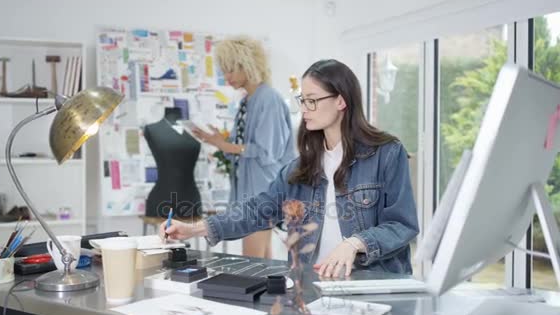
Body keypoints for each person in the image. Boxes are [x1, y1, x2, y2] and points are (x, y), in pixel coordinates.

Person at [170, 59, 418, 278]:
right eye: (303, 100)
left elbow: (402, 225)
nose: (304, 109)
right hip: (312, 286)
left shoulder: (387, 153)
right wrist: (195, 228)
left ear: (341, 101)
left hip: (372, 284)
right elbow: (257, 211)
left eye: (312, 101)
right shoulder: (299, 169)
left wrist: (355, 243)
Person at [192, 35, 295, 258]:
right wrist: (220, 142)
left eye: (231, 70)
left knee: (252, 258)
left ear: (248, 65)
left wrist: (225, 145)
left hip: (263, 189)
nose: (226, 77)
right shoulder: (247, 101)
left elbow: (268, 152)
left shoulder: (268, 99)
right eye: (224, 71)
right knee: (263, 260)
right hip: (251, 190)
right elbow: (246, 148)